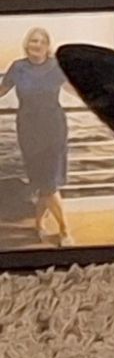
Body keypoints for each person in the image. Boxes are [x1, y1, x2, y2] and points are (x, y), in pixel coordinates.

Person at [0, 27, 72, 246]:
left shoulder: (56, 67)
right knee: (41, 181)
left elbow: (75, 88)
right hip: (29, 130)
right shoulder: (18, 67)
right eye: (32, 41)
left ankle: (64, 230)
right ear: (27, 44)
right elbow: (2, 90)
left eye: (40, 41)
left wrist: (100, 101)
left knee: (49, 183)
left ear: (47, 45)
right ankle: (39, 225)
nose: (36, 45)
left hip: (54, 129)